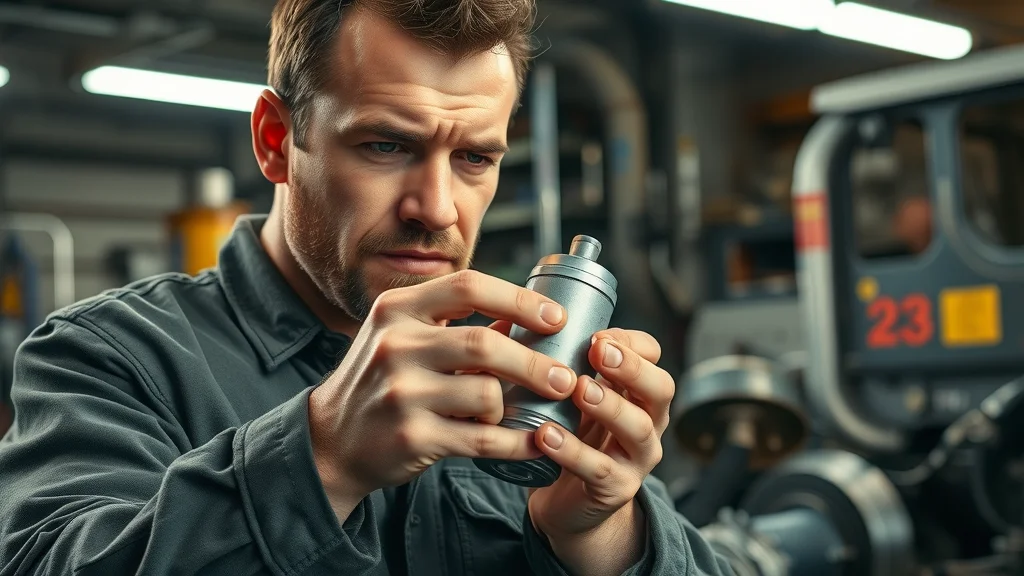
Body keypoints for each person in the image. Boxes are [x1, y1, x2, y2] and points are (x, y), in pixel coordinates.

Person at [0, 1, 732, 575]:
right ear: (276, 141)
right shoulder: (109, 359)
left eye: (474, 158)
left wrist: (602, 537)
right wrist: (319, 458)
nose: (436, 208)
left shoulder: (519, 369)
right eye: (386, 145)